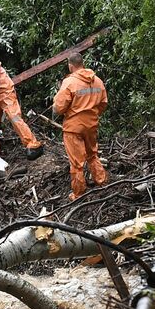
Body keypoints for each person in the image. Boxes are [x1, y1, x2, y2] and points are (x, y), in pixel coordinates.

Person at [52, 53, 109, 200]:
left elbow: (58, 108)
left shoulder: (69, 83)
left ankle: (78, 193)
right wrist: (92, 114)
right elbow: (103, 103)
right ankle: (102, 182)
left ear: (71, 65)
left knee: (76, 163)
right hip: (91, 125)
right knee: (92, 155)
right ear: (82, 63)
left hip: (73, 128)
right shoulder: (97, 81)